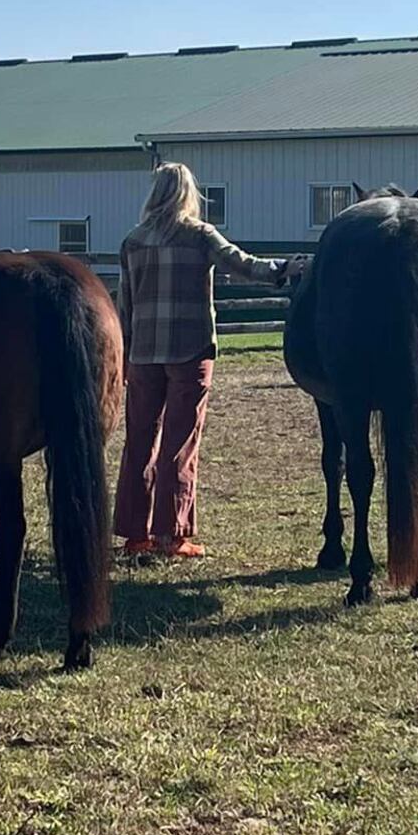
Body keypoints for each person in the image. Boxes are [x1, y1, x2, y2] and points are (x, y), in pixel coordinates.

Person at [114, 164, 289, 559]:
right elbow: (244, 265)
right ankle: (171, 535)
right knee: (180, 442)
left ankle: (134, 533)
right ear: (187, 194)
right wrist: (284, 270)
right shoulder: (199, 236)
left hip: (143, 353)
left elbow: (124, 304)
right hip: (189, 350)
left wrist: (126, 352)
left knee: (139, 441)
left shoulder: (133, 242)